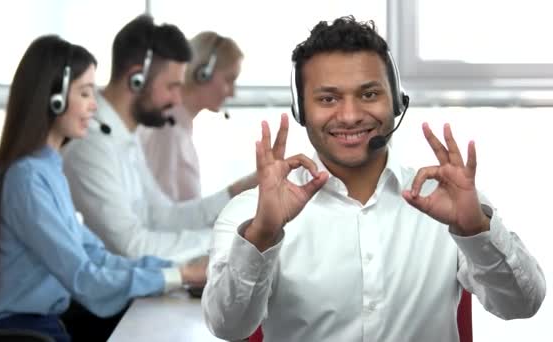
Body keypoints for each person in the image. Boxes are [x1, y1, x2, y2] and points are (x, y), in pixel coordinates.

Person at [202, 15, 546, 342]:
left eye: (369, 94)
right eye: (328, 98)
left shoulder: (451, 201)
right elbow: (229, 327)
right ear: (300, 110)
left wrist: (475, 230)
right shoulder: (250, 213)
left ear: (396, 101)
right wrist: (262, 235)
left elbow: (521, 306)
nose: (350, 116)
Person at [0, 35, 206, 342]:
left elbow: (96, 255)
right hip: (20, 332)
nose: (94, 106)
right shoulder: (26, 179)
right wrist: (180, 276)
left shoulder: (47, 169)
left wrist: (179, 269)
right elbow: (83, 277)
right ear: (53, 99)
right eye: (84, 93)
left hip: (42, 324)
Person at [61, 15, 257, 263]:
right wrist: (227, 240)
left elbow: (163, 216)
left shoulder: (124, 137)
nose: (177, 99)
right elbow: (131, 245)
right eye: (172, 86)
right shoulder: (91, 145)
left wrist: (237, 192)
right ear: (136, 79)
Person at [137, 31, 243, 201]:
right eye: (229, 80)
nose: (233, 93)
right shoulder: (166, 131)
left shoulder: (180, 127)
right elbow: (163, 219)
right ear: (202, 74)